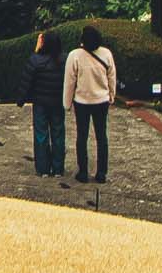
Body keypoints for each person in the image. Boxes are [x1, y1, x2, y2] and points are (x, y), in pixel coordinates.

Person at [63, 23, 118, 184]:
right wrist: (111, 96)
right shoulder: (106, 53)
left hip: (82, 101)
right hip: (101, 100)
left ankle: (83, 172)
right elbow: (112, 78)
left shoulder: (75, 55)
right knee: (102, 137)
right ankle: (101, 173)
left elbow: (69, 82)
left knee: (82, 136)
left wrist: (66, 103)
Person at [17, 28, 67, 177]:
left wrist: (20, 100)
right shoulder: (64, 59)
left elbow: (26, 81)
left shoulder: (36, 60)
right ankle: (58, 168)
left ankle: (43, 168)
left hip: (40, 103)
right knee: (58, 134)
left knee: (41, 135)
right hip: (58, 102)